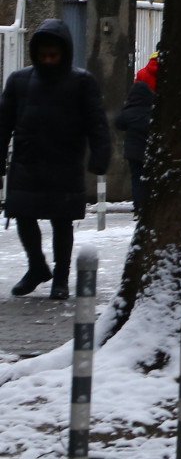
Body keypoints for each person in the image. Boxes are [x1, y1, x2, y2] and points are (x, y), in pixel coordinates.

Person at [0, 20, 111, 299]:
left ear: (64, 53)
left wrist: (100, 156)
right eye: (43, 55)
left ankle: (60, 277)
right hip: (28, 162)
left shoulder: (81, 82)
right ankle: (37, 266)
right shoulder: (19, 81)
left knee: (61, 222)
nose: (48, 61)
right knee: (23, 215)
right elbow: (3, 123)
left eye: (54, 55)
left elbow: (96, 123)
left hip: (65, 162)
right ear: (35, 53)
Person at [116, 54, 159, 210]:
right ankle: (150, 204)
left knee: (136, 178)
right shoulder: (152, 112)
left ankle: (138, 205)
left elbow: (119, 123)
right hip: (150, 147)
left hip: (133, 151)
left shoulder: (142, 73)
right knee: (152, 177)